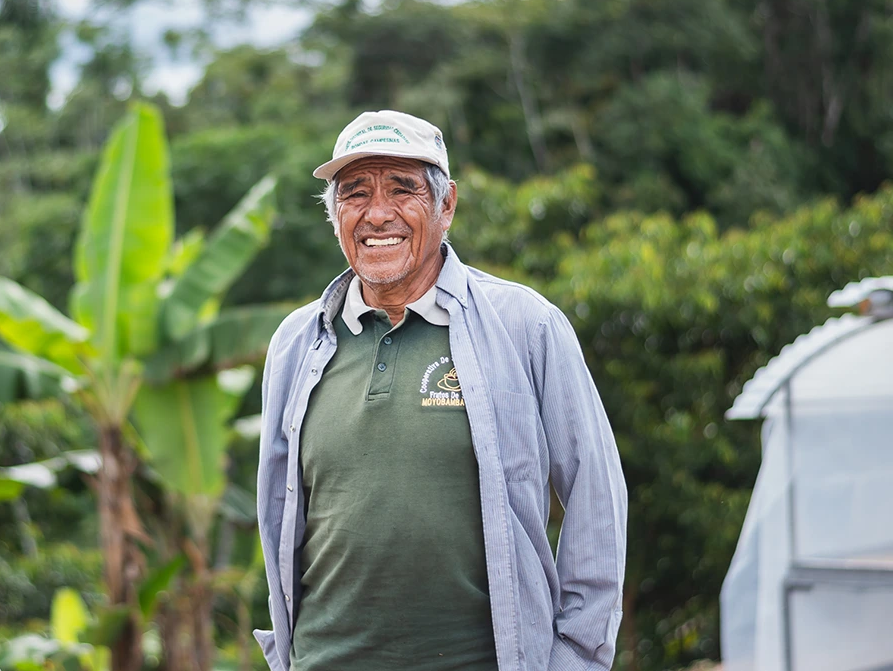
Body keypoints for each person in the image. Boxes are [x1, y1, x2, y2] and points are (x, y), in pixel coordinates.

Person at [253, 110, 628, 671]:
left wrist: (575, 655)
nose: (378, 214)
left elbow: (596, 496)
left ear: (446, 205)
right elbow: (277, 514)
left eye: (402, 189)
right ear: (334, 216)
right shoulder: (297, 342)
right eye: (355, 194)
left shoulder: (525, 325)